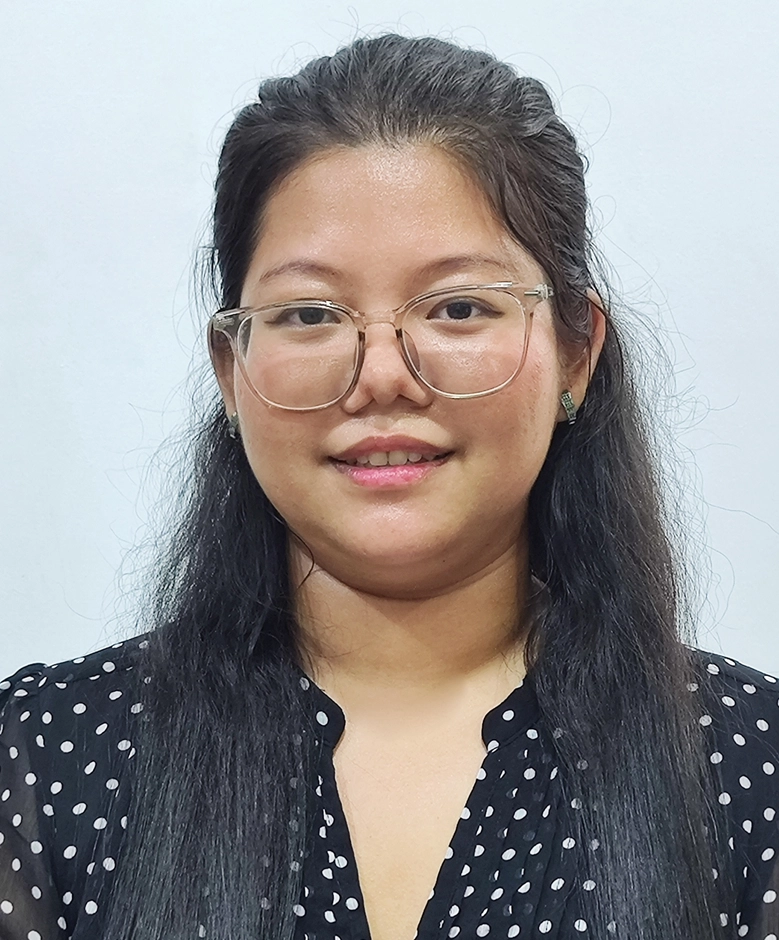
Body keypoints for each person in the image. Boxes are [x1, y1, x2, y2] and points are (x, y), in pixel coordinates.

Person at [1, 32, 777, 940]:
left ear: (575, 353)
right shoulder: (43, 756)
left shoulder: (750, 769)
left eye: (458, 307)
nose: (380, 377)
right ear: (230, 369)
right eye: (308, 314)